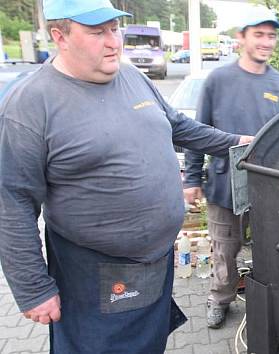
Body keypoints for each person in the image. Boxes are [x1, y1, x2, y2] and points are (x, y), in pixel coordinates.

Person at [0, 0, 252, 352]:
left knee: (148, 343)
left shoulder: (131, 75)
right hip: (91, 270)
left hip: (154, 260)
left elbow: (180, 127)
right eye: (97, 32)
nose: (113, 42)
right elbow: (12, 202)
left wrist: (238, 143)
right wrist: (33, 289)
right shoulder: (30, 104)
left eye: (114, 29)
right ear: (60, 36)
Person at [183, 7, 279, 328]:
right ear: (241, 37)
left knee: (269, 250)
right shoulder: (218, 80)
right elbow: (197, 132)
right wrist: (191, 178)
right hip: (224, 186)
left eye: (271, 35)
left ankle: (265, 305)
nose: (266, 42)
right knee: (224, 251)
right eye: (258, 34)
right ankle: (220, 298)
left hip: (267, 187)